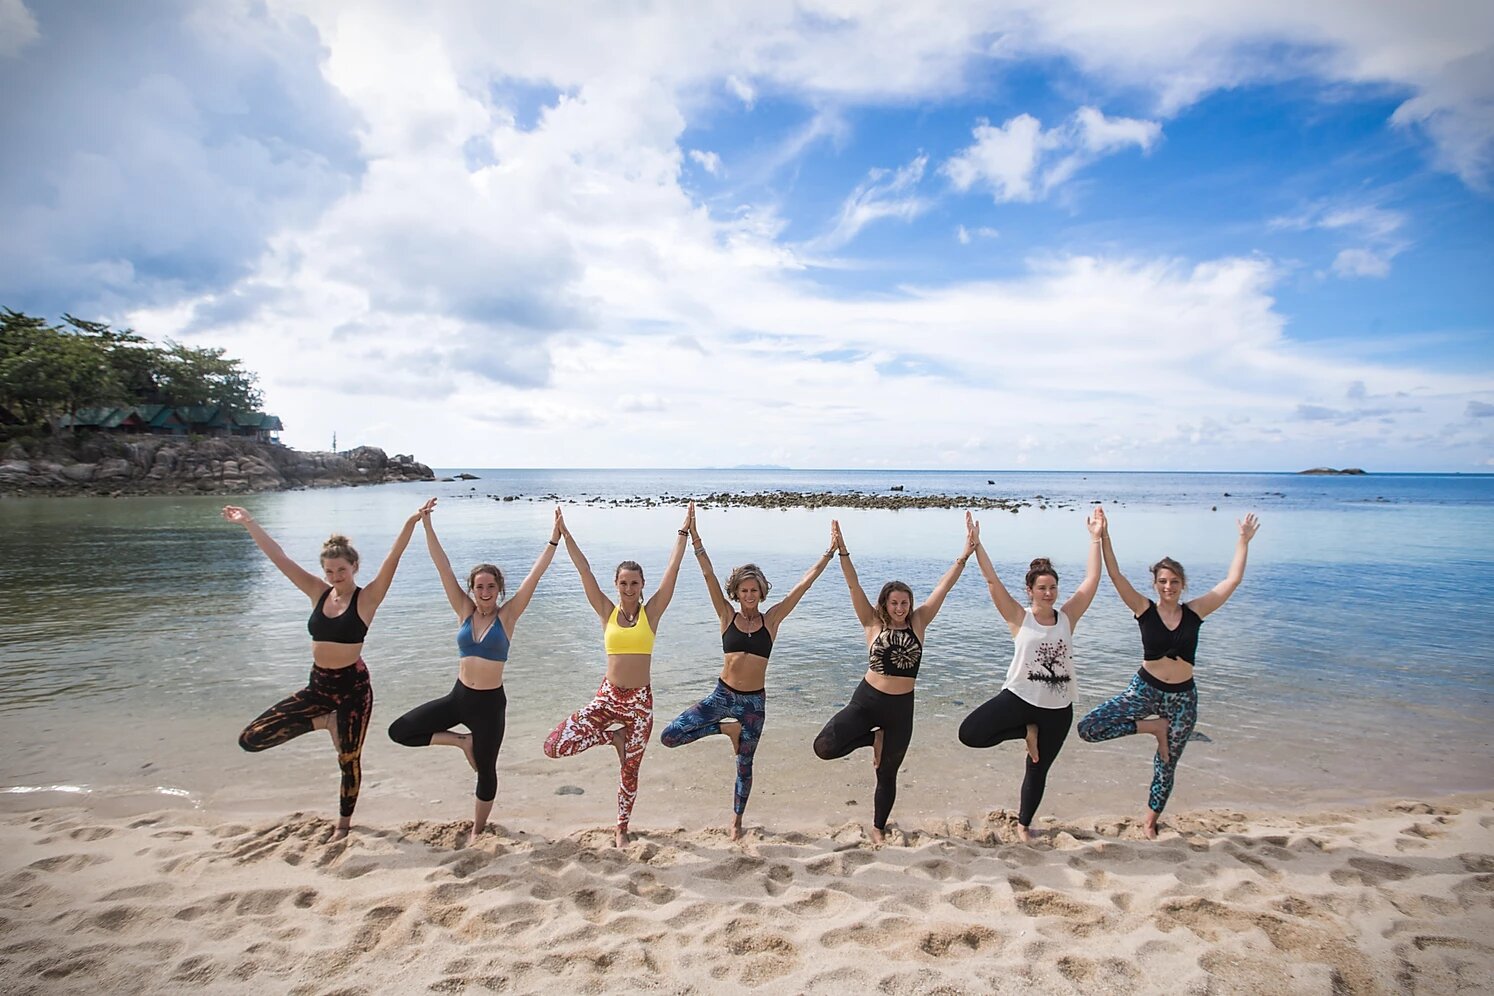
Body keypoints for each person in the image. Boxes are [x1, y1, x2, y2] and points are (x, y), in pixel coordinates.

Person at [223, 499, 431, 841]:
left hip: (353, 689)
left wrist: (412, 521)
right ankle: (322, 721)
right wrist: (248, 522)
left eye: (342, 571)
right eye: (330, 572)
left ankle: (343, 825)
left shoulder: (367, 599)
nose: (335, 577)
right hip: (317, 687)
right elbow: (279, 558)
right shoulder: (318, 592)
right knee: (252, 739)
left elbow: (393, 559)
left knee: (348, 759)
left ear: (354, 567)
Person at [1077, 512, 1262, 838]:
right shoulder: (1143, 609)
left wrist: (1243, 541)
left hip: (1182, 699)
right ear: (1155, 584)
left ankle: (1150, 821)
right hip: (1143, 691)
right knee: (1088, 728)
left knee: (1167, 763)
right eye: (1162, 581)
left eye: (1174, 582)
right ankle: (1151, 727)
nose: (1168, 587)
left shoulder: (1195, 612)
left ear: (1182, 584)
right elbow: (1116, 575)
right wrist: (1102, 535)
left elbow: (1231, 581)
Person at [387, 505, 563, 844]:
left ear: (499, 590)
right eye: (479, 587)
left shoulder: (508, 617)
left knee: (486, 771)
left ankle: (477, 830)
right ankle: (459, 741)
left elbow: (534, 577)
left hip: (490, 705)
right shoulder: (464, 611)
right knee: (400, 731)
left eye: (490, 587)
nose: (484, 593)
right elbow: (443, 567)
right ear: (471, 589)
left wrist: (553, 540)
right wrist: (427, 525)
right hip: (459, 698)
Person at [659, 516, 835, 839]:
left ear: (762, 591)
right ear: (737, 592)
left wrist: (828, 553)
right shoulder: (727, 616)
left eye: (754, 589)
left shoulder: (772, 621)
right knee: (670, 735)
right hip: (722, 696)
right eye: (744, 590)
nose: (750, 594)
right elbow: (708, 575)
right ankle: (726, 729)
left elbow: (803, 586)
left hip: (754, 704)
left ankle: (737, 820)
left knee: (745, 766)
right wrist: (695, 537)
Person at [813, 516, 977, 844]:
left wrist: (966, 553)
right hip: (867, 702)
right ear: (885, 603)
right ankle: (872, 739)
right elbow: (853, 585)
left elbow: (943, 587)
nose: (900, 608)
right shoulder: (872, 623)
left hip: (901, 709)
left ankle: (877, 828)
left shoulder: (919, 622)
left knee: (887, 773)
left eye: (905, 602)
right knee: (824, 747)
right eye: (895, 602)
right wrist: (842, 551)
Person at [543, 504, 692, 846]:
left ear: (642, 586)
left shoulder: (651, 614)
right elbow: (584, 571)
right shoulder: (606, 611)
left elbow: (673, 569)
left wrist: (684, 532)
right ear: (616, 584)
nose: (628, 588)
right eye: (623, 583)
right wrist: (564, 534)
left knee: (630, 772)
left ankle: (621, 829)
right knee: (555, 745)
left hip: (639, 704)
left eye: (634, 583)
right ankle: (614, 739)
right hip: (607, 698)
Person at [957, 508, 1104, 841]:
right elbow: (992, 581)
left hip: (1058, 709)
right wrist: (977, 546)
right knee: (971, 733)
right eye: (1042, 588)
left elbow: (1092, 581)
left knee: (1038, 770)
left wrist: (1096, 537)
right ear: (1030, 590)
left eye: (1053, 587)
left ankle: (1024, 825)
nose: (1049, 593)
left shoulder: (1067, 617)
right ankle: (1026, 731)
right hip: (1020, 699)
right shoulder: (1019, 618)